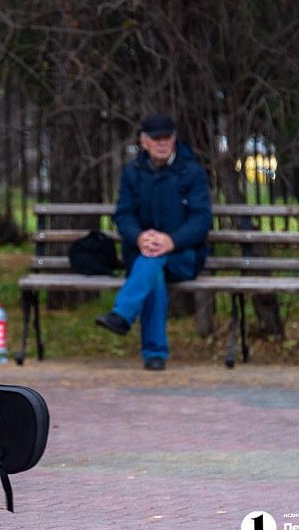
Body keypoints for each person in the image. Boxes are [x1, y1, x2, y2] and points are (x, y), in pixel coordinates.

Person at [94, 113, 212, 371]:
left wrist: (172, 240)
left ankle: (123, 315)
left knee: (152, 261)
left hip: (184, 256)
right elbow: (123, 215)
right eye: (156, 138)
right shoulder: (132, 173)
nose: (162, 143)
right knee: (153, 271)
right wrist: (139, 236)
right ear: (144, 141)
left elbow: (201, 220)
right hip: (144, 256)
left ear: (174, 138)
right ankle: (155, 355)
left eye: (167, 137)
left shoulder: (191, 172)